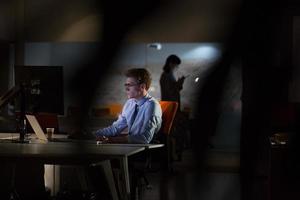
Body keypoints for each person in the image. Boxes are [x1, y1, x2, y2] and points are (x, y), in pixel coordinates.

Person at [95, 68, 162, 144]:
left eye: (130, 85)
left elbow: (145, 138)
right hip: (132, 145)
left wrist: (113, 140)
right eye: (126, 85)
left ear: (142, 87)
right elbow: (115, 128)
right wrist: (95, 135)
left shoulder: (152, 105)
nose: (126, 88)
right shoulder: (130, 103)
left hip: (146, 149)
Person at [160, 54, 188, 161]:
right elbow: (170, 93)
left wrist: (179, 84)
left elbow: (174, 91)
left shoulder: (169, 75)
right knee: (170, 135)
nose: (176, 67)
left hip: (173, 107)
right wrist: (179, 83)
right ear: (171, 63)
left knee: (174, 133)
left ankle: (173, 156)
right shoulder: (166, 75)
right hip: (170, 108)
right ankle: (170, 158)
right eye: (176, 65)